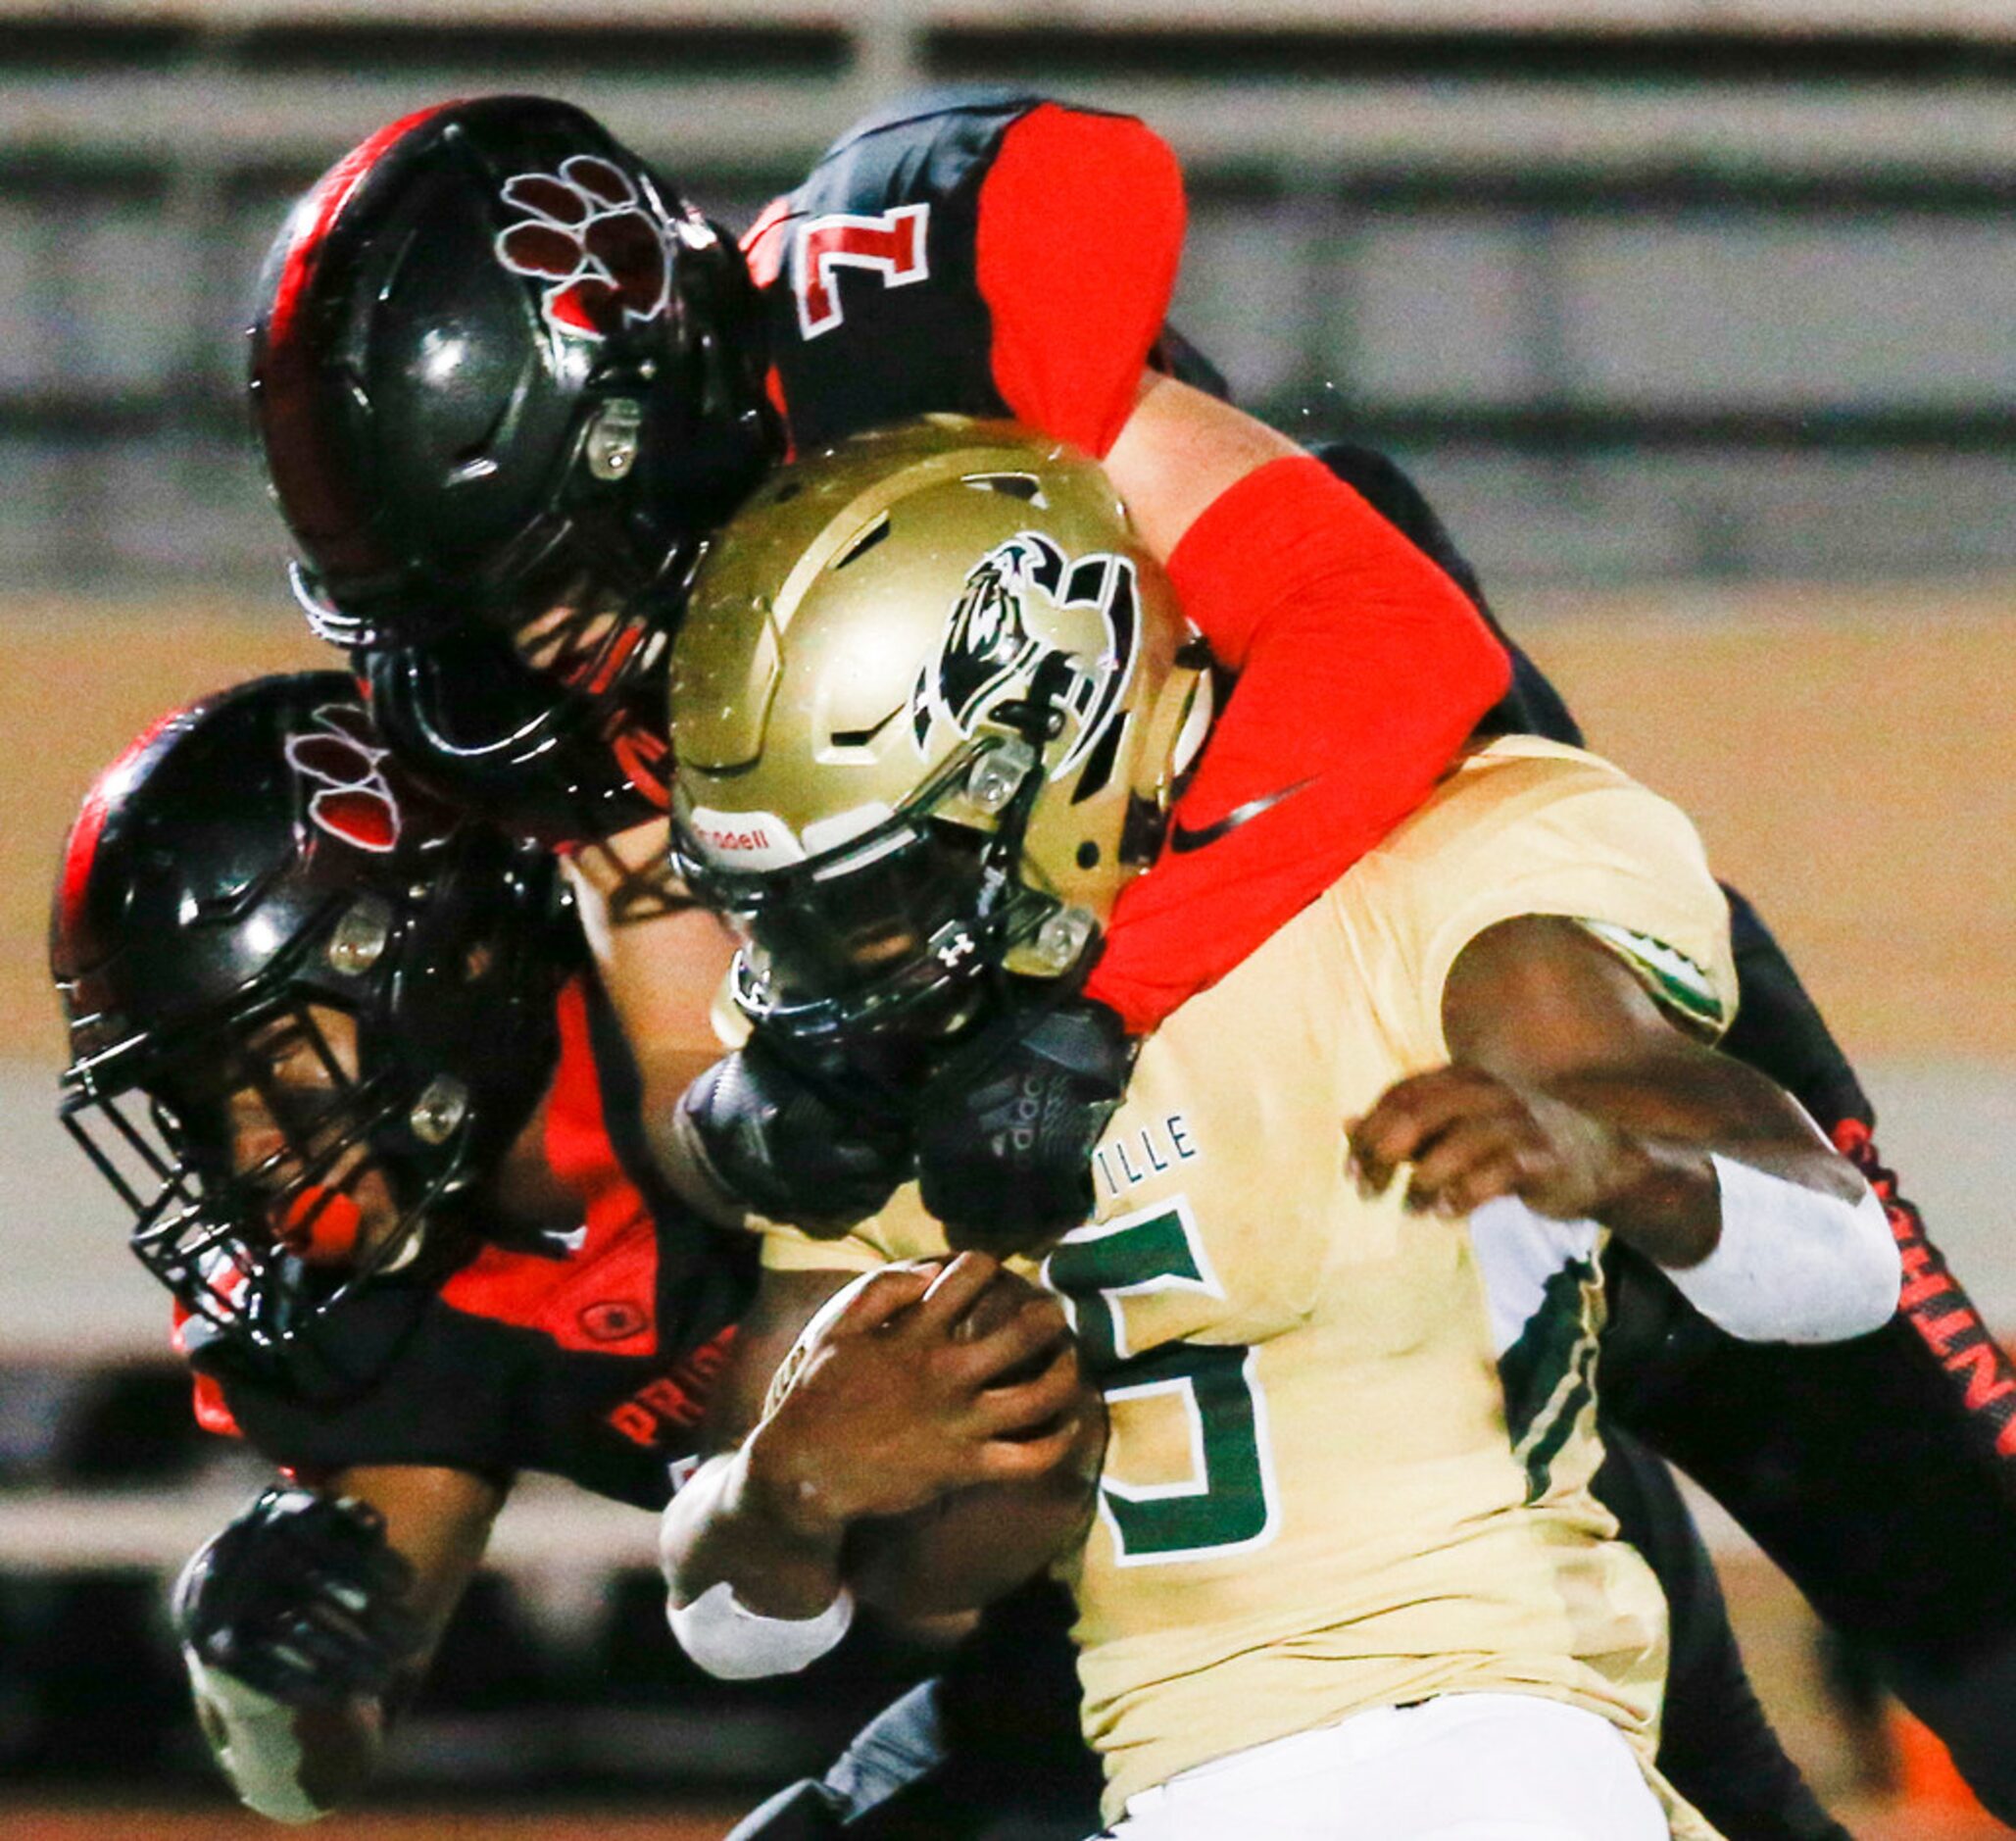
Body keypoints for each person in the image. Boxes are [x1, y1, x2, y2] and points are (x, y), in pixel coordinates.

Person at [652, 421, 1900, 1840]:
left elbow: (1842, 1268)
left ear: (1053, 745)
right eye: (799, 901)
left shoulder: (1433, 881)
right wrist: (783, 1493)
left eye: (881, 881)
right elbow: (743, 1627)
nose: (845, 958)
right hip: (1167, 1779)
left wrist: (1625, 1161)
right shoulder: (870, 1054)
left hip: (1492, 1731)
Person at [49, 672, 764, 1821]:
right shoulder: (378, 1303)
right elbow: (313, 1766)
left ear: (447, 958)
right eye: (197, 1097)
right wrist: (258, 1681)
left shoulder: (706, 1016)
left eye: (273, 1065)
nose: (248, 1149)